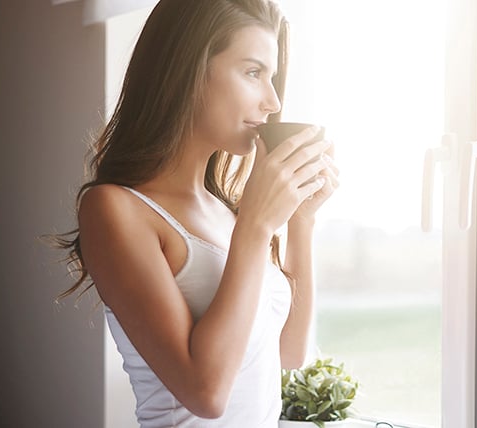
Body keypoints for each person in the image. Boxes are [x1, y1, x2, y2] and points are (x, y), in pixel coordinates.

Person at [54, 0, 339, 426]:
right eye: (253, 72)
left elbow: (289, 352)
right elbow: (205, 393)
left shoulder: (225, 211)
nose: (273, 101)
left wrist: (302, 220)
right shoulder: (115, 209)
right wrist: (256, 226)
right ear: (188, 70)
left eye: (273, 77)